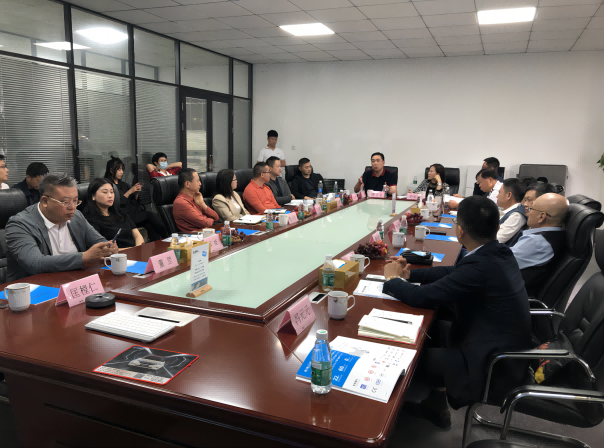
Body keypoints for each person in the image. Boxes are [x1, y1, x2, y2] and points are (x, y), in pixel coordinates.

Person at [382, 196, 531, 428]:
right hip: (493, 341)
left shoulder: (480, 266)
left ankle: (378, 419)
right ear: (497, 227)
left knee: (408, 357)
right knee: (435, 329)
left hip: (491, 363)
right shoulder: (498, 252)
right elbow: (454, 272)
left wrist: (392, 279)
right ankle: (436, 405)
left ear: (460, 231)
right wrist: (410, 275)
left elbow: (422, 297)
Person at [5, 172, 118, 282]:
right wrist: (84, 257)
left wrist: (108, 247)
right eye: (66, 202)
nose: (72, 207)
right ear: (45, 201)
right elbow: (35, 263)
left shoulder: (76, 216)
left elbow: (99, 241)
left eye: (75, 201)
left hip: (74, 281)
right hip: (35, 288)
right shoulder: (19, 224)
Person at [511, 193, 568, 296]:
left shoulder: (537, 242)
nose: (527, 213)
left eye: (531, 209)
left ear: (541, 216)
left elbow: (499, 262)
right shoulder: (553, 236)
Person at [83, 178, 144, 249]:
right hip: (115, 255)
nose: (110, 195)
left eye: (112, 192)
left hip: (134, 252)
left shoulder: (120, 213)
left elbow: (137, 236)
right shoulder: (90, 219)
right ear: (93, 196)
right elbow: (101, 249)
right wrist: (131, 250)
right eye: (105, 192)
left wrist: (137, 249)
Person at [173, 168, 219, 233]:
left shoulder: (196, 198)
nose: (200, 184)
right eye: (197, 181)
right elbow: (205, 223)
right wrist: (211, 219)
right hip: (194, 237)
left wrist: (202, 204)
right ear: (187, 184)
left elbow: (216, 217)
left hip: (206, 233)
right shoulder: (181, 203)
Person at [496, 178, 527, 246]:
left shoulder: (517, 216)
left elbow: (497, 239)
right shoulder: (507, 211)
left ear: (509, 195)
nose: (497, 196)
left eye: (499, 193)